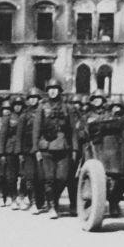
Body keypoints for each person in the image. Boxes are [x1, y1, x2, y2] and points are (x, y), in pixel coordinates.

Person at [32, 79, 78, 219]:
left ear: (59, 91)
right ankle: (53, 206)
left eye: (55, 88)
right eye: (50, 88)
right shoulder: (42, 107)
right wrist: (36, 149)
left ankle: (52, 199)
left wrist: (75, 149)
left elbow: (73, 130)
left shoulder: (67, 108)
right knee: (49, 178)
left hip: (63, 147)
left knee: (62, 178)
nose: (52, 91)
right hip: (46, 147)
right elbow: (36, 129)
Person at [17, 88, 44, 212]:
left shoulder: (43, 112)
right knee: (30, 176)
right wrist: (20, 152)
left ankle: (40, 201)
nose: (33, 100)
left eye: (35, 98)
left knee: (41, 176)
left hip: (41, 148)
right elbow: (19, 135)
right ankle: (32, 201)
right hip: (27, 150)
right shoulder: (24, 116)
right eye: (31, 98)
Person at [0, 99, 21, 209]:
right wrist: (1, 153)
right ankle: (4, 197)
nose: (7, 111)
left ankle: (13, 198)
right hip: (7, 150)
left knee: (12, 176)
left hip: (16, 151)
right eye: (5, 109)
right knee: (4, 176)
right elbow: (2, 137)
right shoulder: (5, 120)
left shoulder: (18, 118)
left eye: (9, 109)